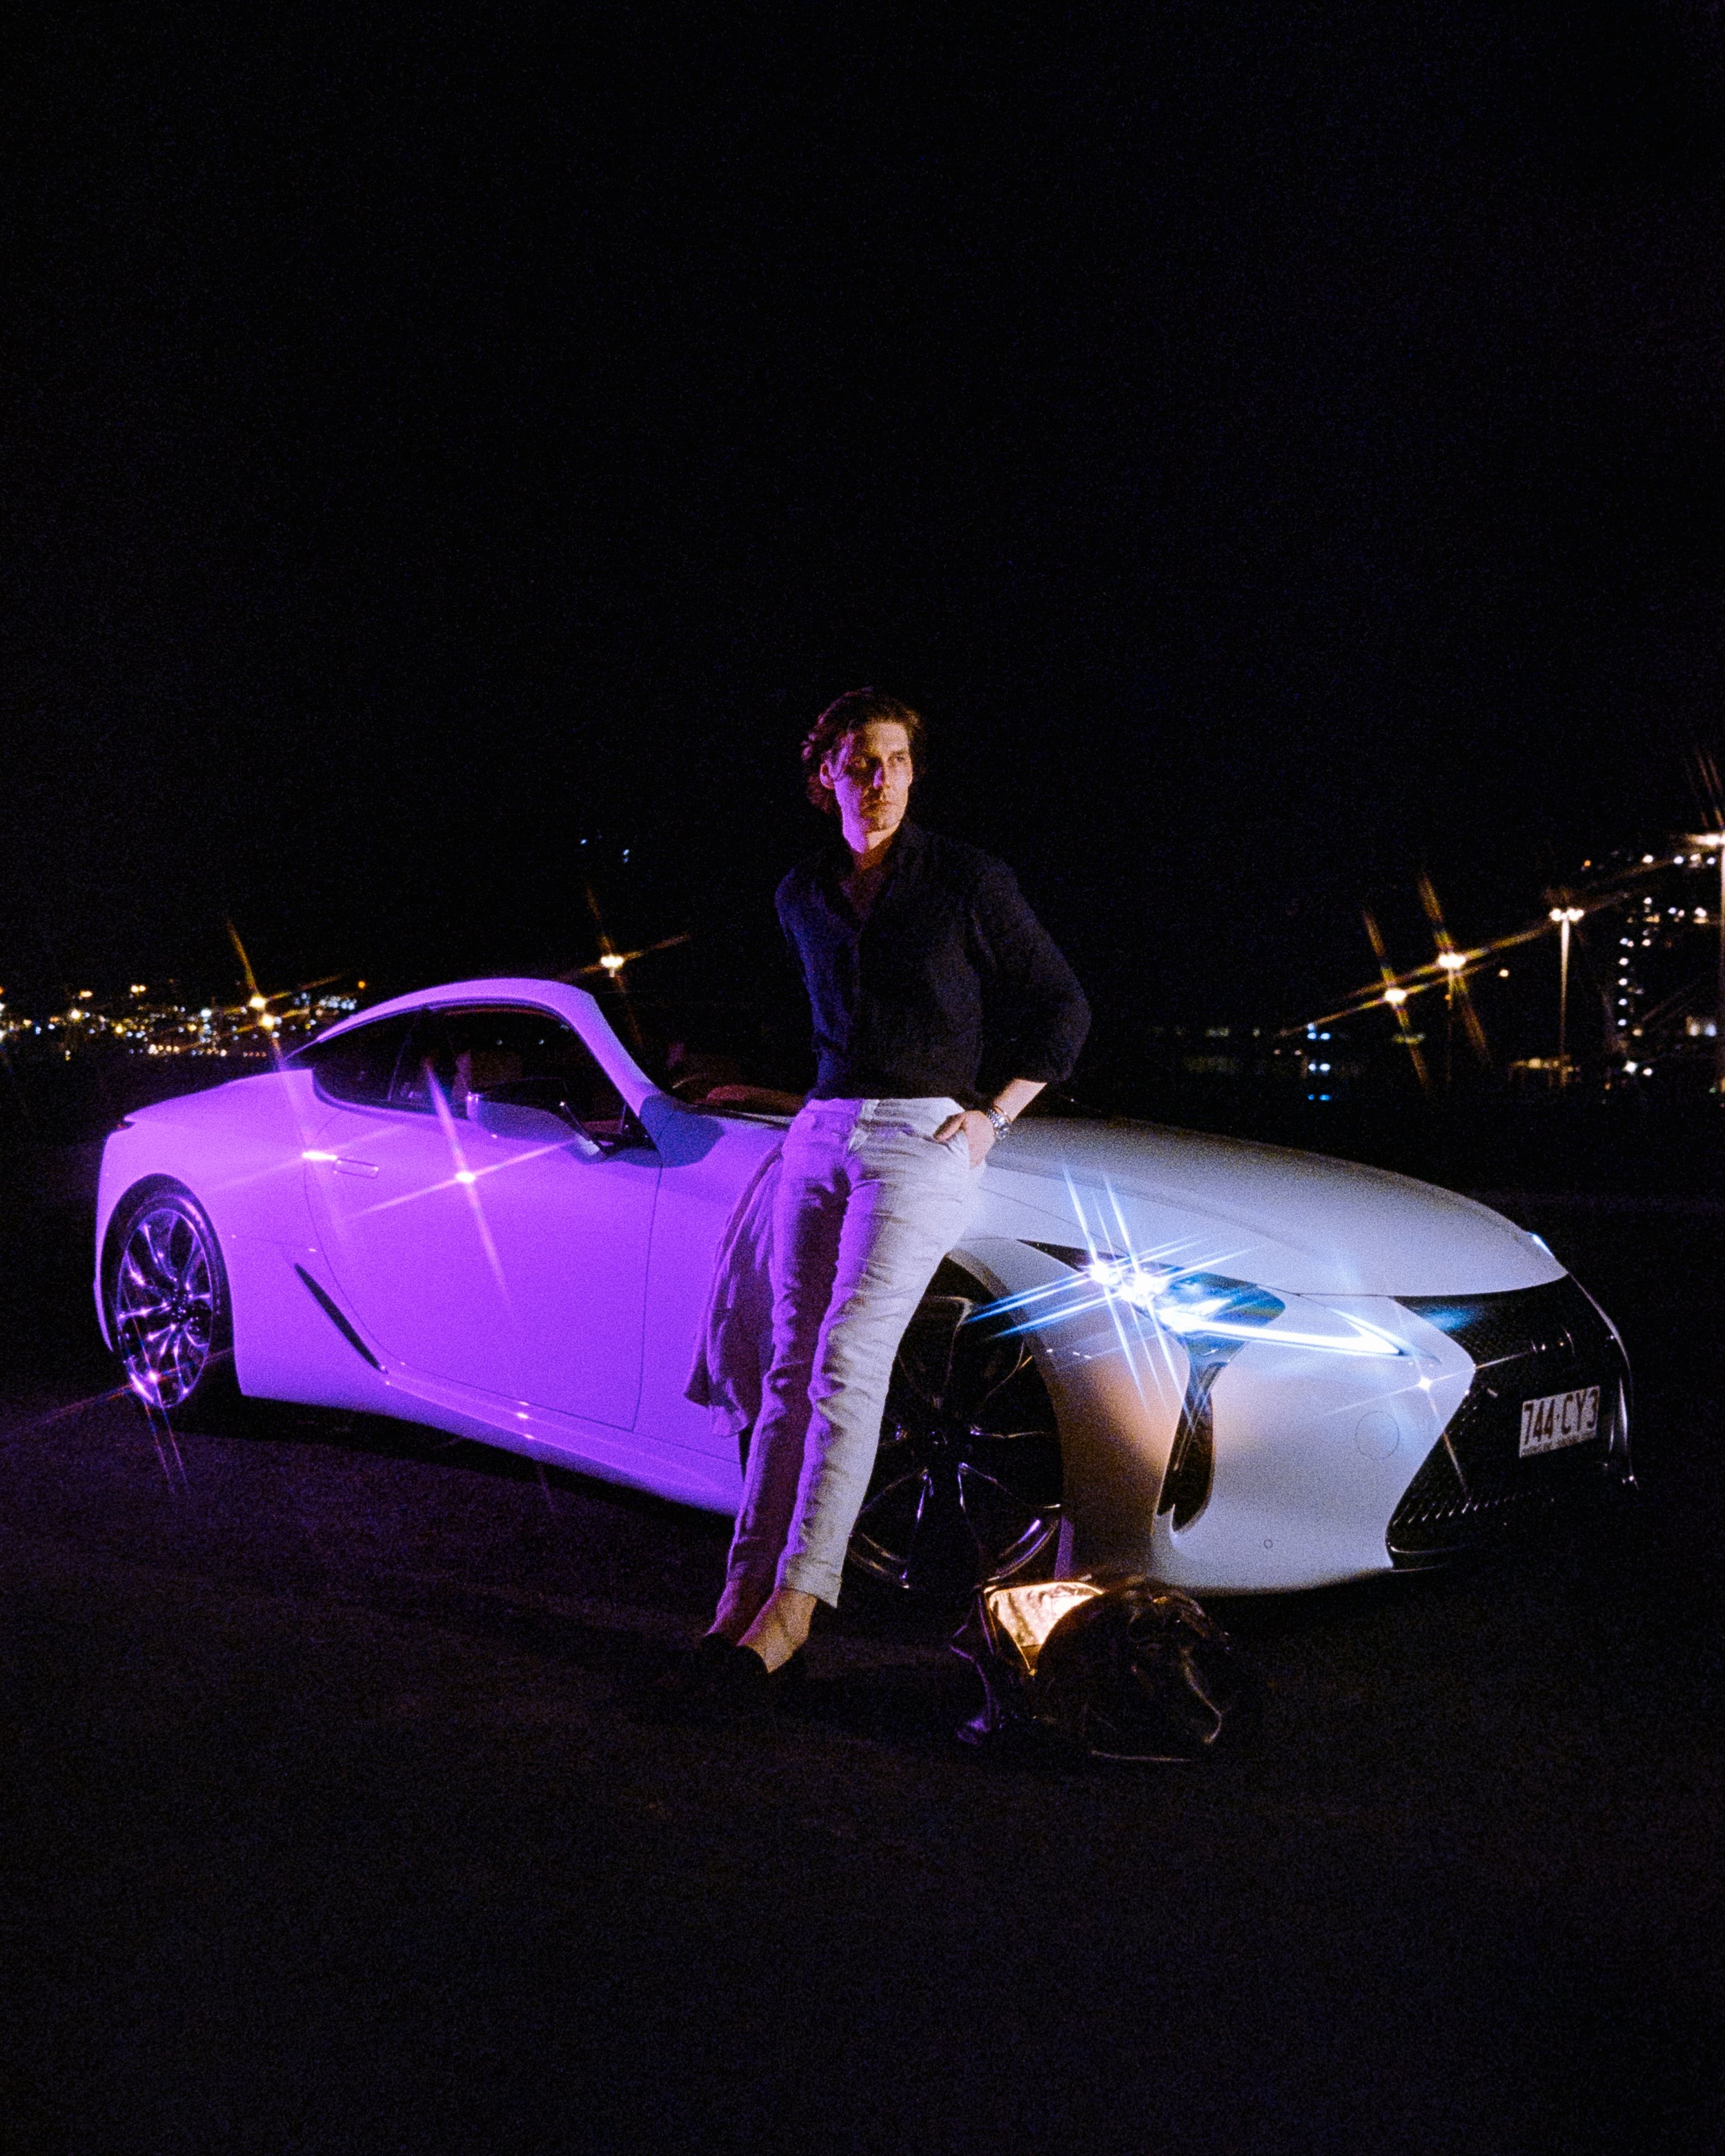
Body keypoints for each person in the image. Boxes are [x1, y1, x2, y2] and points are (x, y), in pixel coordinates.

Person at [683, 687, 1090, 1710]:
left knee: (847, 1358)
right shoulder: (799, 895)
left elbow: (1061, 1006)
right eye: (858, 763)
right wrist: (783, 1100)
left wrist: (995, 1114)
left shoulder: (965, 880)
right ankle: (738, 1599)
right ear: (823, 776)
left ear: (914, 771)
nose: (879, 780)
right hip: (821, 1133)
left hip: (922, 1140)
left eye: (895, 761)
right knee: (783, 1369)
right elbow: (844, 1041)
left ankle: (795, 1609)